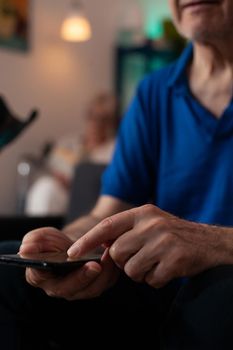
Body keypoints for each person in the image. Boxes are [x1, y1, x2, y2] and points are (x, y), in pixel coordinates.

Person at [1, 0, 233, 348]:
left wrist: (211, 242)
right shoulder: (153, 93)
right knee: (7, 271)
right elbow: (105, 212)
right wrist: (70, 246)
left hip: (220, 294)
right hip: (150, 290)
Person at [24, 92, 119, 216]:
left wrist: (75, 184)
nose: (96, 122)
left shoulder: (114, 149)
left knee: (47, 191)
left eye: (103, 119)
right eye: (92, 116)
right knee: (45, 187)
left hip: (90, 200)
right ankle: (36, 231)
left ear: (111, 122)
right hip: (58, 191)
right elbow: (48, 168)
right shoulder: (68, 142)